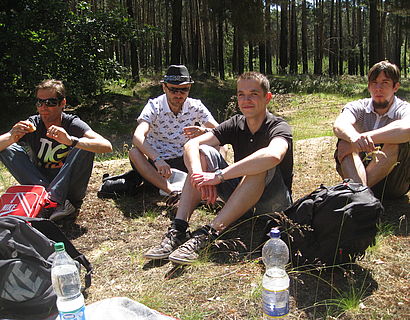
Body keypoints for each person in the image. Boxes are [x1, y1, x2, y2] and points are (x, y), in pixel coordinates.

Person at [144, 71, 293, 265]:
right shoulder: (236, 123)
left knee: (259, 165)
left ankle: (209, 233)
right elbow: (191, 145)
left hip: (273, 203)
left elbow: (273, 155)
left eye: (254, 94)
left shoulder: (278, 126)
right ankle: (178, 229)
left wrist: (219, 176)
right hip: (243, 196)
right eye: (241, 94)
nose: (246, 100)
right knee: (203, 152)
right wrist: (199, 176)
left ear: (267, 98)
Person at [0, 79, 112, 220]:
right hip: (40, 185)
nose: (43, 107)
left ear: (62, 103)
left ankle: (53, 200)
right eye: (40, 102)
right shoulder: (34, 123)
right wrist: (11, 135)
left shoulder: (72, 123)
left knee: (85, 145)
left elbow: (107, 146)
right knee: (7, 147)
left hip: (70, 190)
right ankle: (48, 200)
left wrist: (71, 140)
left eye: (50, 103)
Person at [129, 65, 223, 196]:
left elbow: (220, 131)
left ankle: (212, 183)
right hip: (157, 162)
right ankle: (172, 192)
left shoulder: (195, 106)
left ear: (189, 89)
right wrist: (157, 159)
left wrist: (204, 131)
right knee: (134, 152)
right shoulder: (154, 106)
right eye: (173, 90)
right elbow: (138, 136)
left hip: (186, 159)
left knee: (218, 144)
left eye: (183, 90)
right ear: (164, 87)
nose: (178, 95)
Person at [333, 60, 410, 200]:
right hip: (357, 172)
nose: (378, 88)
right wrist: (354, 138)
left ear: (396, 87)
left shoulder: (403, 109)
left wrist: (366, 138)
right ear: (368, 86)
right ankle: (363, 197)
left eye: (385, 83)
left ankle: (359, 194)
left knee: (395, 143)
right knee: (344, 141)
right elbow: (339, 124)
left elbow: (407, 128)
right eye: (374, 83)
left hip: (392, 182)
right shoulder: (359, 107)